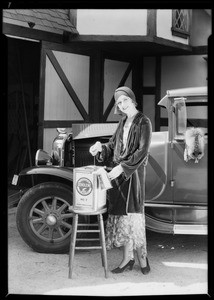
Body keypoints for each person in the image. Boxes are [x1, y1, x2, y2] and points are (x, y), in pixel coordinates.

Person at [89, 86, 152, 274]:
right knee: (122, 220)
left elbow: (142, 151)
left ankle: (142, 257)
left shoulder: (144, 122)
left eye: (125, 100)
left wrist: (122, 168)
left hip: (133, 176)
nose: (122, 105)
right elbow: (113, 145)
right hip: (118, 176)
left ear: (132, 100)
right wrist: (100, 148)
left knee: (134, 217)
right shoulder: (122, 122)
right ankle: (127, 259)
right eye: (119, 103)